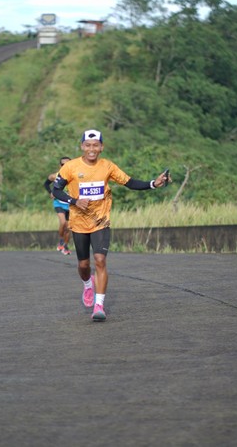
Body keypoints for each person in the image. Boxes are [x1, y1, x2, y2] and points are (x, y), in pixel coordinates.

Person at [52, 129, 172, 322]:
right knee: (84, 265)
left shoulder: (107, 166)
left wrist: (153, 183)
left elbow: (129, 182)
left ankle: (99, 306)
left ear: (101, 147)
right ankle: (87, 284)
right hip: (79, 223)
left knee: (100, 260)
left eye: (96, 145)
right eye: (88, 145)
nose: (92, 149)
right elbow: (56, 190)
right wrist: (74, 201)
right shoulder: (71, 167)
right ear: (82, 146)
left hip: (101, 221)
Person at [44, 157, 72, 255]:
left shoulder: (75, 176)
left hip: (70, 204)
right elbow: (46, 184)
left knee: (68, 228)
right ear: (60, 166)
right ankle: (61, 240)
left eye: (68, 164)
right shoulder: (54, 176)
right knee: (63, 222)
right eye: (63, 164)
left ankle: (65, 246)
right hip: (59, 203)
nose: (65, 166)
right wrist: (50, 192)